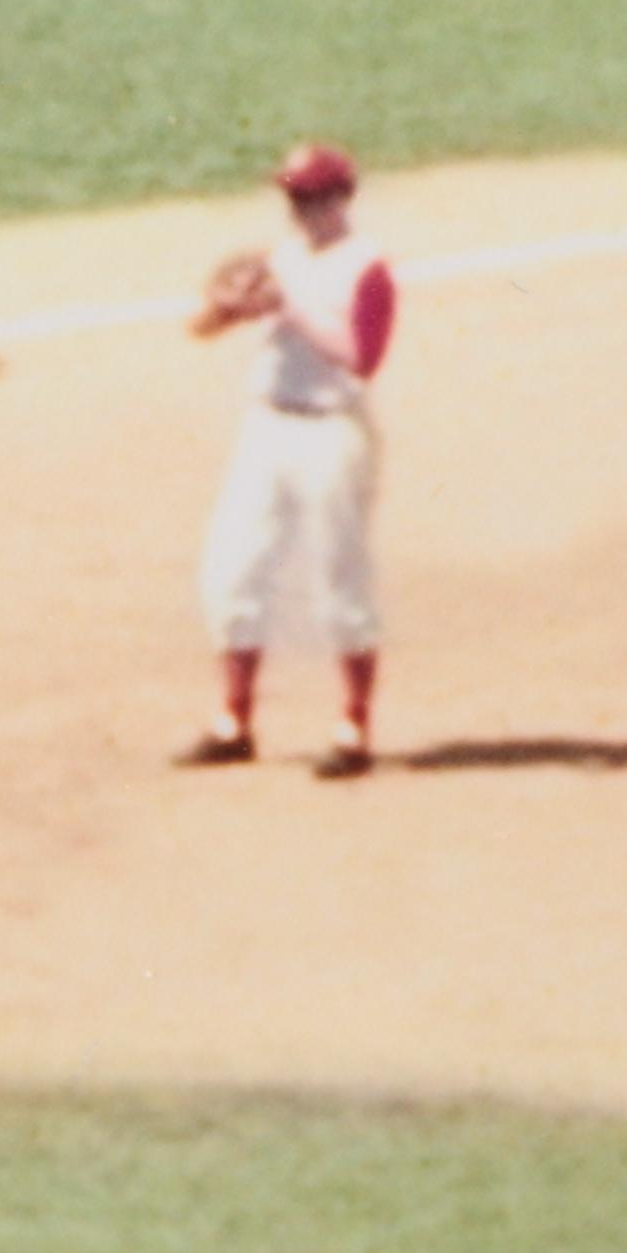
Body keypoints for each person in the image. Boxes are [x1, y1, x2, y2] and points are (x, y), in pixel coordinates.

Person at [180, 140, 397, 778]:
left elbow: (362, 355)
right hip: (267, 428)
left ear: (340, 198)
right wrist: (227, 306)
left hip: (333, 433)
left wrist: (289, 307)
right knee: (233, 567)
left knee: (340, 576)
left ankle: (353, 728)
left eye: (309, 198)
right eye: (292, 198)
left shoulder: (367, 267)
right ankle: (234, 721)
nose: (299, 211)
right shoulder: (280, 259)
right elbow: (200, 329)